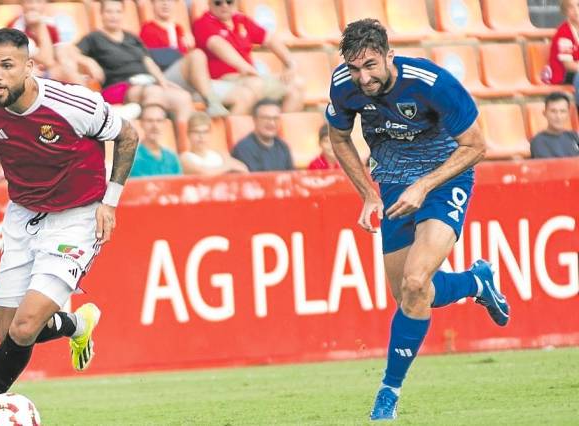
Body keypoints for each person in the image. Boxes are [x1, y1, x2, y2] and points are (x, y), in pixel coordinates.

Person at [0, 28, 138, 426]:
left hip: (77, 218)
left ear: (30, 67)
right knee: (8, 332)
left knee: (26, 325)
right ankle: (75, 323)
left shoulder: (73, 103)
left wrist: (110, 203)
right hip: (23, 215)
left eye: (7, 66)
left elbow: (128, 136)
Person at [325, 19, 510, 421]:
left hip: (445, 177)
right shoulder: (343, 85)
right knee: (409, 295)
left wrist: (425, 186)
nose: (363, 77)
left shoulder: (432, 83)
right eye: (355, 68)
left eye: (371, 65)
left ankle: (388, 393)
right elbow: (338, 137)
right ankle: (476, 282)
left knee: (415, 280)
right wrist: (369, 194)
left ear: (389, 55)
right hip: (392, 184)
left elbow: (477, 145)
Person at [70, 0, 193, 126]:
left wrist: (163, 82)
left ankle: (185, 143)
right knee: (153, 92)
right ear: (101, 14)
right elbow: (69, 51)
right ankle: (148, 133)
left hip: (146, 83)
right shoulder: (94, 38)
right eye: (109, 12)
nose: (114, 16)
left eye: (118, 12)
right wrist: (88, 61)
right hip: (118, 86)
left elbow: (148, 62)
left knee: (184, 97)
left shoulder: (132, 38)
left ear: (123, 15)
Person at [140, 0, 254, 116]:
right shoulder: (147, 29)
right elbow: (152, 60)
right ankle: (212, 102)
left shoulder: (179, 30)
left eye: (170, 1)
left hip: (192, 84)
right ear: (152, 3)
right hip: (166, 82)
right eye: (160, 1)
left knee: (245, 95)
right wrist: (182, 54)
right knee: (197, 54)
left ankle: (221, 130)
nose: (165, 4)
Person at [192, 0, 304, 113]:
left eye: (229, 2)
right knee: (254, 86)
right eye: (218, 2)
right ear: (209, 3)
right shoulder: (202, 23)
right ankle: (236, 128)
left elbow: (269, 39)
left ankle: (279, 128)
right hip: (222, 79)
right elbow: (217, 44)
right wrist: (244, 67)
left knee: (296, 85)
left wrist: (290, 63)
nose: (224, 6)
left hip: (248, 77)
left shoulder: (241, 20)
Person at [7, 0, 82, 83]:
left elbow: (60, 52)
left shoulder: (50, 24)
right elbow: (47, 60)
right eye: (29, 2)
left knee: (68, 67)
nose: (33, 6)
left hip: (46, 72)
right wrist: (40, 26)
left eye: (38, 2)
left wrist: (83, 62)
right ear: (22, 4)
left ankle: (88, 94)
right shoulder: (14, 28)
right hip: (27, 75)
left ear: (45, 4)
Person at [231, 99, 294, 172]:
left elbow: (291, 176)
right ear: (255, 120)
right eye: (266, 118)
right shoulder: (243, 148)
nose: (272, 123)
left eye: (275, 118)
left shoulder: (283, 147)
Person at [180, 111, 247, 175]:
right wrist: (228, 167)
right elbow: (205, 173)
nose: (201, 136)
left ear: (210, 134)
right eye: (196, 132)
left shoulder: (220, 154)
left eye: (205, 132)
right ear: (188, 134)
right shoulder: (185, 158)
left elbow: (243, 169)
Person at [129, 103, 183, 177]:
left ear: (165, 124)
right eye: (149, 121)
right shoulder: (132, 157)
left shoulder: (171, 157)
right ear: (141, 123)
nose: (155, 126)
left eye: (159, 121)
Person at [544, 0, 579, 102]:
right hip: (563, 73)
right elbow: (569, 65)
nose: (576, 11)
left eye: (578, 5)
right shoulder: (564, 32)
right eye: (570, 7)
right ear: (565, 11)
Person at [530, 91, 579, 158]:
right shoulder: (538, 141)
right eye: (553, 111)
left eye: (562, 111)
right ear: (545, 113)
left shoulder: (573, 136)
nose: (558, 116)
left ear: (568, 114)